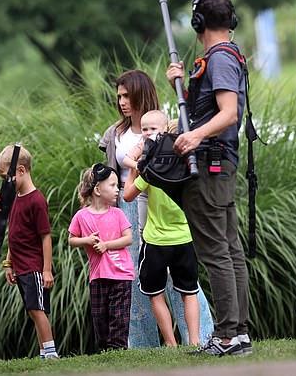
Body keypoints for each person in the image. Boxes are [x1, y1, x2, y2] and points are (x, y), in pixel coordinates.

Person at [166, 0, 251, 356]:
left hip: (209, 166)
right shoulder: (224, 57)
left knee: (217, 252)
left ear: (197, 23)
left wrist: (193, 136)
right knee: (229, 250)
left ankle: (228, 335)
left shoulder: (219, 60)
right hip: (221, 162)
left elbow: (229, 112)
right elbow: (208, 109)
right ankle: (239, 332)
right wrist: (180, 86)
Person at [98, 69, 204, 347]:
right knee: (136, 278)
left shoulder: (165, 127)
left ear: (140, 94)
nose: (122, 101)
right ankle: (144, 342)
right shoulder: (116, 132)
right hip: (126, 204)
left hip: (159, 204)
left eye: (127, 95)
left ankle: (197, 335)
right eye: (119, 96)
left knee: (178, 280)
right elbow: (111, 170)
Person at [123, 110, 201, 347]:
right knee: (189, 292)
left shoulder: (152, 169)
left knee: (156, 294)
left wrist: (135, 169)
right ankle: (195, 341)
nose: (147, 133)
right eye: (144, 129)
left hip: (155, 241)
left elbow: (127, 196)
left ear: (165, 130)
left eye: (151, 129)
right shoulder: (187, 168)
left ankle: (170, 341)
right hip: (184, 238)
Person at [0, 145, 59, 360]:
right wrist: (8, 263)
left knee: (37, 309)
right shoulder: (16, 199)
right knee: (32, 310)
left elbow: (45, 236)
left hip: (34, 266)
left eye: (7, 177)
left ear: (21, 171)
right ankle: (43, 351)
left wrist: (46, 270)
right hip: (20, 266)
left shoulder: (36, 201)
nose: (5, 183)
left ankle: (51, 352)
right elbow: (13, 234)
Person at [68, 163, 134, 351]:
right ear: (97, 189)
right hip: (97, 276)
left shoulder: (118, 214)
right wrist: (87, 240)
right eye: (112, 186)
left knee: (119, 316)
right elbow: (72, 240)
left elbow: (128, 239)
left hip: (121, 274)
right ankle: (105, 351)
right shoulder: (81, 216)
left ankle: (118, 349)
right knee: (100, 318)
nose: (117, 190)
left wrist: (106, 245)